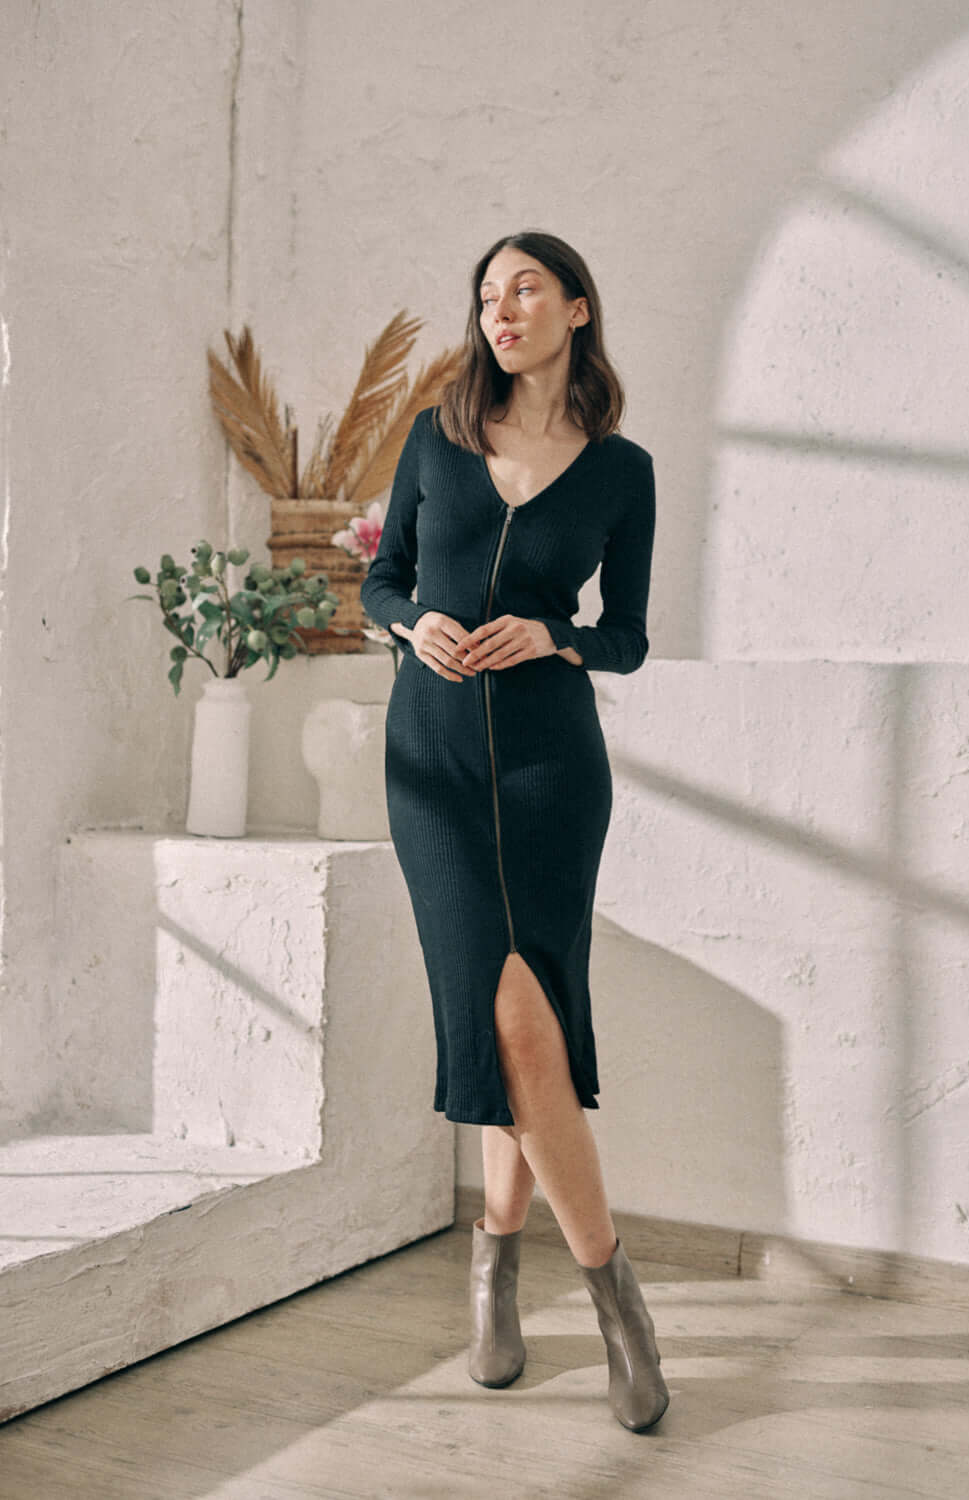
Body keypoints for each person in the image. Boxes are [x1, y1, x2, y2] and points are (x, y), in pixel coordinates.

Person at [360, 229, 668, 1432]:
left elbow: (630, 633)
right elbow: (383, 580)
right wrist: (409, 627)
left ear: (577, 310)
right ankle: (583, 1284)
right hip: (430, 760)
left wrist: (558, 636)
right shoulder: (435, 437)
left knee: (527, 1026)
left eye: (525, 288)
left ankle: (538, 1272)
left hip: (549, 765)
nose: (502, 308)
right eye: (487, 293)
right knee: (500, 1021)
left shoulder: (621, 468)